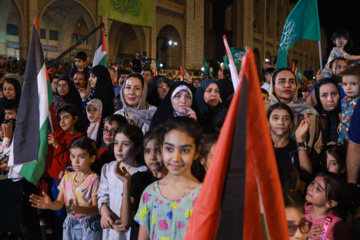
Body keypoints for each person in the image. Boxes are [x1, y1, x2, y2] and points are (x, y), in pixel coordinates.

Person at [134, 117, 202, 240]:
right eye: (169, 149)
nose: (176, 158)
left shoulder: (204, 197)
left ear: (196, 153)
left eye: (185, 150)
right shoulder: (149, 193)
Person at [30, 136, 102, 240]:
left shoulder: (94, 179)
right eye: (73, 156)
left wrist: (81, 209)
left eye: (81, 156)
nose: (76, 161)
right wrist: (50, 205)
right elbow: (59, 203)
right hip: (69, 222)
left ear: (92, 158)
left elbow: (96, 209)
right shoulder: (67, 177)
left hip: (88, 226)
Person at [98, 124, 148, 240]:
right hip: (111, 228)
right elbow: (102, 194)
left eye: (125, 144)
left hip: (131, 230)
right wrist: (104, 210)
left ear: (137, 149)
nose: (119, 148)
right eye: (116, 143)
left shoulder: (143, 173)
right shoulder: (108, 168)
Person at [118, 129, 168, 240]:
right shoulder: (138, 179)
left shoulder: (174, 182)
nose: (153, 156)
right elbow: (126, 221)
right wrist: (126, 183)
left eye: (159, 151)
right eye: (147, 151)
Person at [45, 104, 84, 239]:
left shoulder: (79, 137)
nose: (62, 121)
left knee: (68, 212)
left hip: (70, 181)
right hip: (55, 179)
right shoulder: (57, 134)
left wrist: (57, 145)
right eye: (60, 118)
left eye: (66, 117)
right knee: (57, 211)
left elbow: (73, 160)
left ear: (75, 119)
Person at [266, 68, 322, 155]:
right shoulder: (262, 111)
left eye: (292, 81)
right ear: (273, 86)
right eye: (282, 81)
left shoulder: (308, 112)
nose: (287, 85)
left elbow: (317, 146)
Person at [267, 103, 312, 176]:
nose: (281, 122)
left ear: (291, 124)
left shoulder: (297, 147)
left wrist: (300, 139)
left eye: (286, 118)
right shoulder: (261, 147)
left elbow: (307, 174)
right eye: (275, 118)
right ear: (267, 123)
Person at [305, 172, 352, 240]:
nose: (310, 188)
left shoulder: (337, 225)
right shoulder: (301, 210)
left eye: (318, 189)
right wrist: (304, 235)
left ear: (330, 203)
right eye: (312, 183)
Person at [314, 78, 341, 145]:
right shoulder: (313, 115)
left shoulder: (347, 112)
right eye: (324, 95)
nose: (330, 99)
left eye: (334, 94)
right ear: (318, 97)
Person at [338, 65, 360, 144]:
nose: (348, 88)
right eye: (345, 84)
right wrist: (341, 123)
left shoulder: (358, 102)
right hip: (342, 138)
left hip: (354, 142)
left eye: (353, 84)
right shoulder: (345, 100)